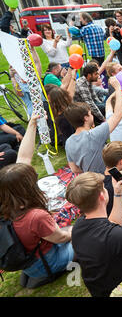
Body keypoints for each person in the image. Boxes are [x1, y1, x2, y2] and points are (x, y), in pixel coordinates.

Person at [0, 113, 73, 288]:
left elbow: (24, 157)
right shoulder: (35, 216)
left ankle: (34, 275)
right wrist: (80, 230)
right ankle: (49, 272)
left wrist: (33, 123)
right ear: (28, 187)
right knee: (86, 234)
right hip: (47, 261)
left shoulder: (6, 203)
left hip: (29, 259)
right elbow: (61, 238)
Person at [64, 76, 122, 174]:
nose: (92, 115)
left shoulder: (69, 142)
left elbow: (74, 169)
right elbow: (119, 114)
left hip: (91, 181)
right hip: (108, 179)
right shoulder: (94, 135)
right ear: (86, 118)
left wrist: (90, 172)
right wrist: (118, 88)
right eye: (90, 113)